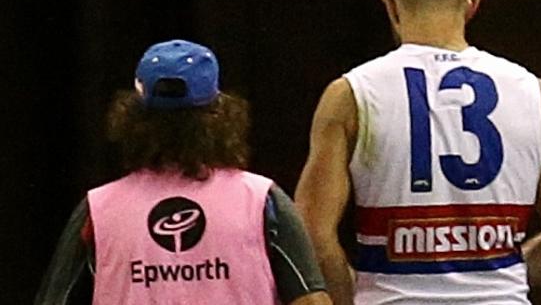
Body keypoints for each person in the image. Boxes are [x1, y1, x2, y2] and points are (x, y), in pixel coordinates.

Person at [294, 0, 541, 304]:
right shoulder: (535, 95)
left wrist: (354, 296)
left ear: (390, 7)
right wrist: (500, 280)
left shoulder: (351, 96)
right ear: (472, 5)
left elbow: (312, 233)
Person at [35, 40, 332, 305]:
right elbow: (312, 300)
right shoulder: (263, 202)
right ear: (220, 113)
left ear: (132, 117)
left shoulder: (99, 212)